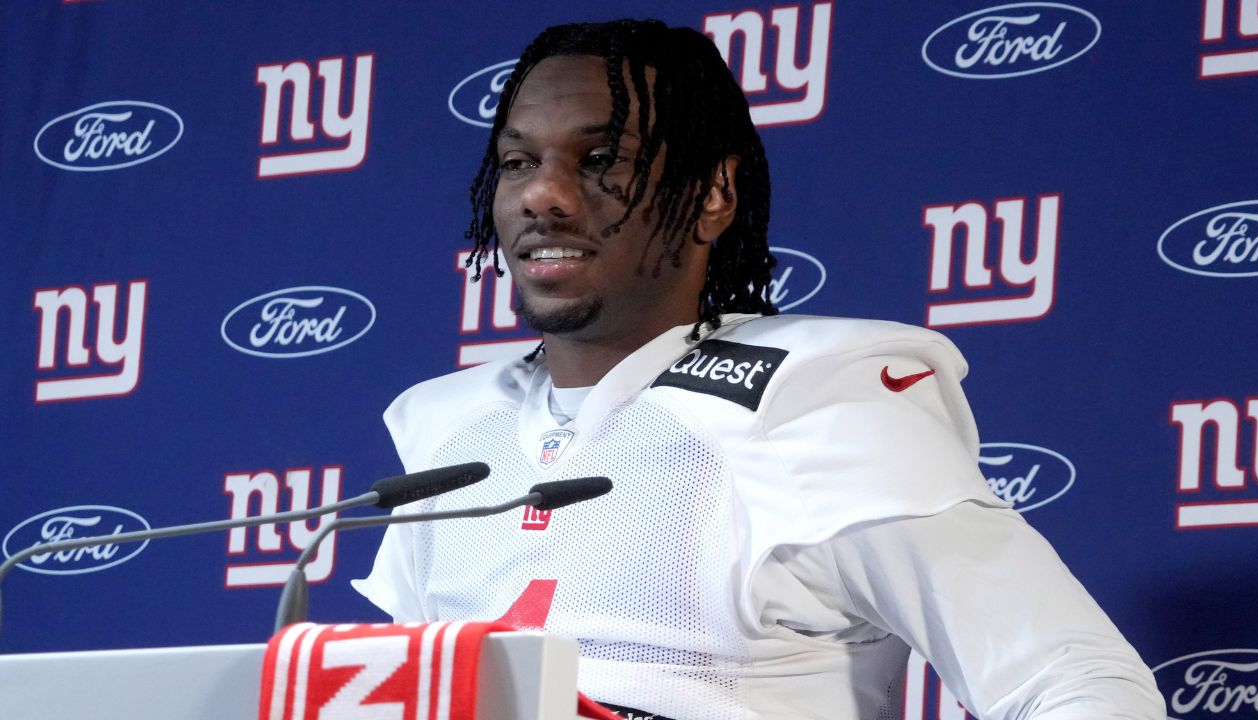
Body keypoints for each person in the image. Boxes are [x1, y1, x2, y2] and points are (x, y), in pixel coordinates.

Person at [354, 19, 1164, 719]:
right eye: (517, 162)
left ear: (713, 194)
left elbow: (1075, 683)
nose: (544, 195)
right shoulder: (451, 431)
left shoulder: (816, 403)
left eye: (600, 158)